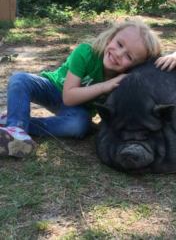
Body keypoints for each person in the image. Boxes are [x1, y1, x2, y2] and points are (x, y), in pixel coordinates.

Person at [0, 18, 161, 158]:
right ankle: (16, 129)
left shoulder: (123, 79)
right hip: (54, 89)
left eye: (128, 56)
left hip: (78, 110)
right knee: (20, 79)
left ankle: (13, 121)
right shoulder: (86, 53)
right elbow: (68, 97)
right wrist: (104, 86)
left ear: (134, 66)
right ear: (110, 38)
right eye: (119, 44)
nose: (119, 54)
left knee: (79, 125)